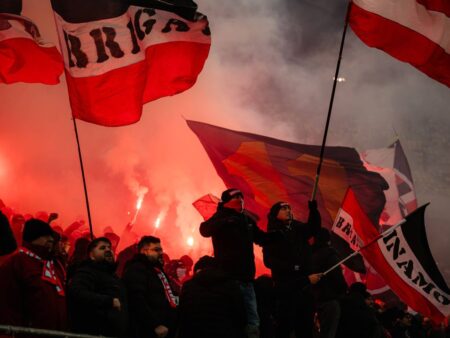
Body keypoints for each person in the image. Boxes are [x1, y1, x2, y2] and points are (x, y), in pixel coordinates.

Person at [200, 188, 279, 338]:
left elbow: (261, 238)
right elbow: (204, 230)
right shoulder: (220, 216)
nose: (240, 200)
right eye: (236, 197)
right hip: (227, 279)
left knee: (253, 322)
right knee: (231, 320)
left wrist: (279, 234)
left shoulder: (246, 219)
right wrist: (226, 221)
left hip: (247, 278)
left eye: (241, 197)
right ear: (226, 201)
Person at [263, 200, 322, 338]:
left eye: (289, 208)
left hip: (305, 287)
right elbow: (269, 261)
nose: (288, 211)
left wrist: (313, 211)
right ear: (275, 214)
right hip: (286, 288)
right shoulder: (272, 234)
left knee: (305, 326)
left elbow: (313, 228)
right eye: (284, 209)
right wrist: (292, 267)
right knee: (285, 326)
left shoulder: (297, 228)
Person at [0, 219, 67, 331]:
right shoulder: (15, 262)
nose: (51, 239)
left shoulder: (53, 264)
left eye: (51, 236)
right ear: (33, 237)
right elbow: (6, 302)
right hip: (26, 333)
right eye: (45, 236)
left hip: (56, 333)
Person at [67, 237, 128, 337]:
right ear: (92, 255)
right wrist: (108, 301)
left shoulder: (115, 277)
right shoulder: (86, 272)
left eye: (109, 248)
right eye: (102, 248)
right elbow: (77, 292)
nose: (108, 250)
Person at [178, 255, 247, 338]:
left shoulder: (188, 286)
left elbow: (182, 316)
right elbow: (241, 316)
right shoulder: (231, 285)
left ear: (197, 270)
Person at [122, 236, 177, 338]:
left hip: (165, 329)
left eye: (161, 249)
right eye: (156, 250)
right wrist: (154, 324)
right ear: (145, 251)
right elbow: (136, 299)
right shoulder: (136, 268)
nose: (161, 253)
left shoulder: (157, 270)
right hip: (148, 331)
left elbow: (168, 297)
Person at [311, 228, 348, 338]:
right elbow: (338, 278)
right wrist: (344, 290)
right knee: (328, 333)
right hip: (329, 299)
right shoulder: (330, 255)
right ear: (328, 240)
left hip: (313, 299)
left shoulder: (309, 254)